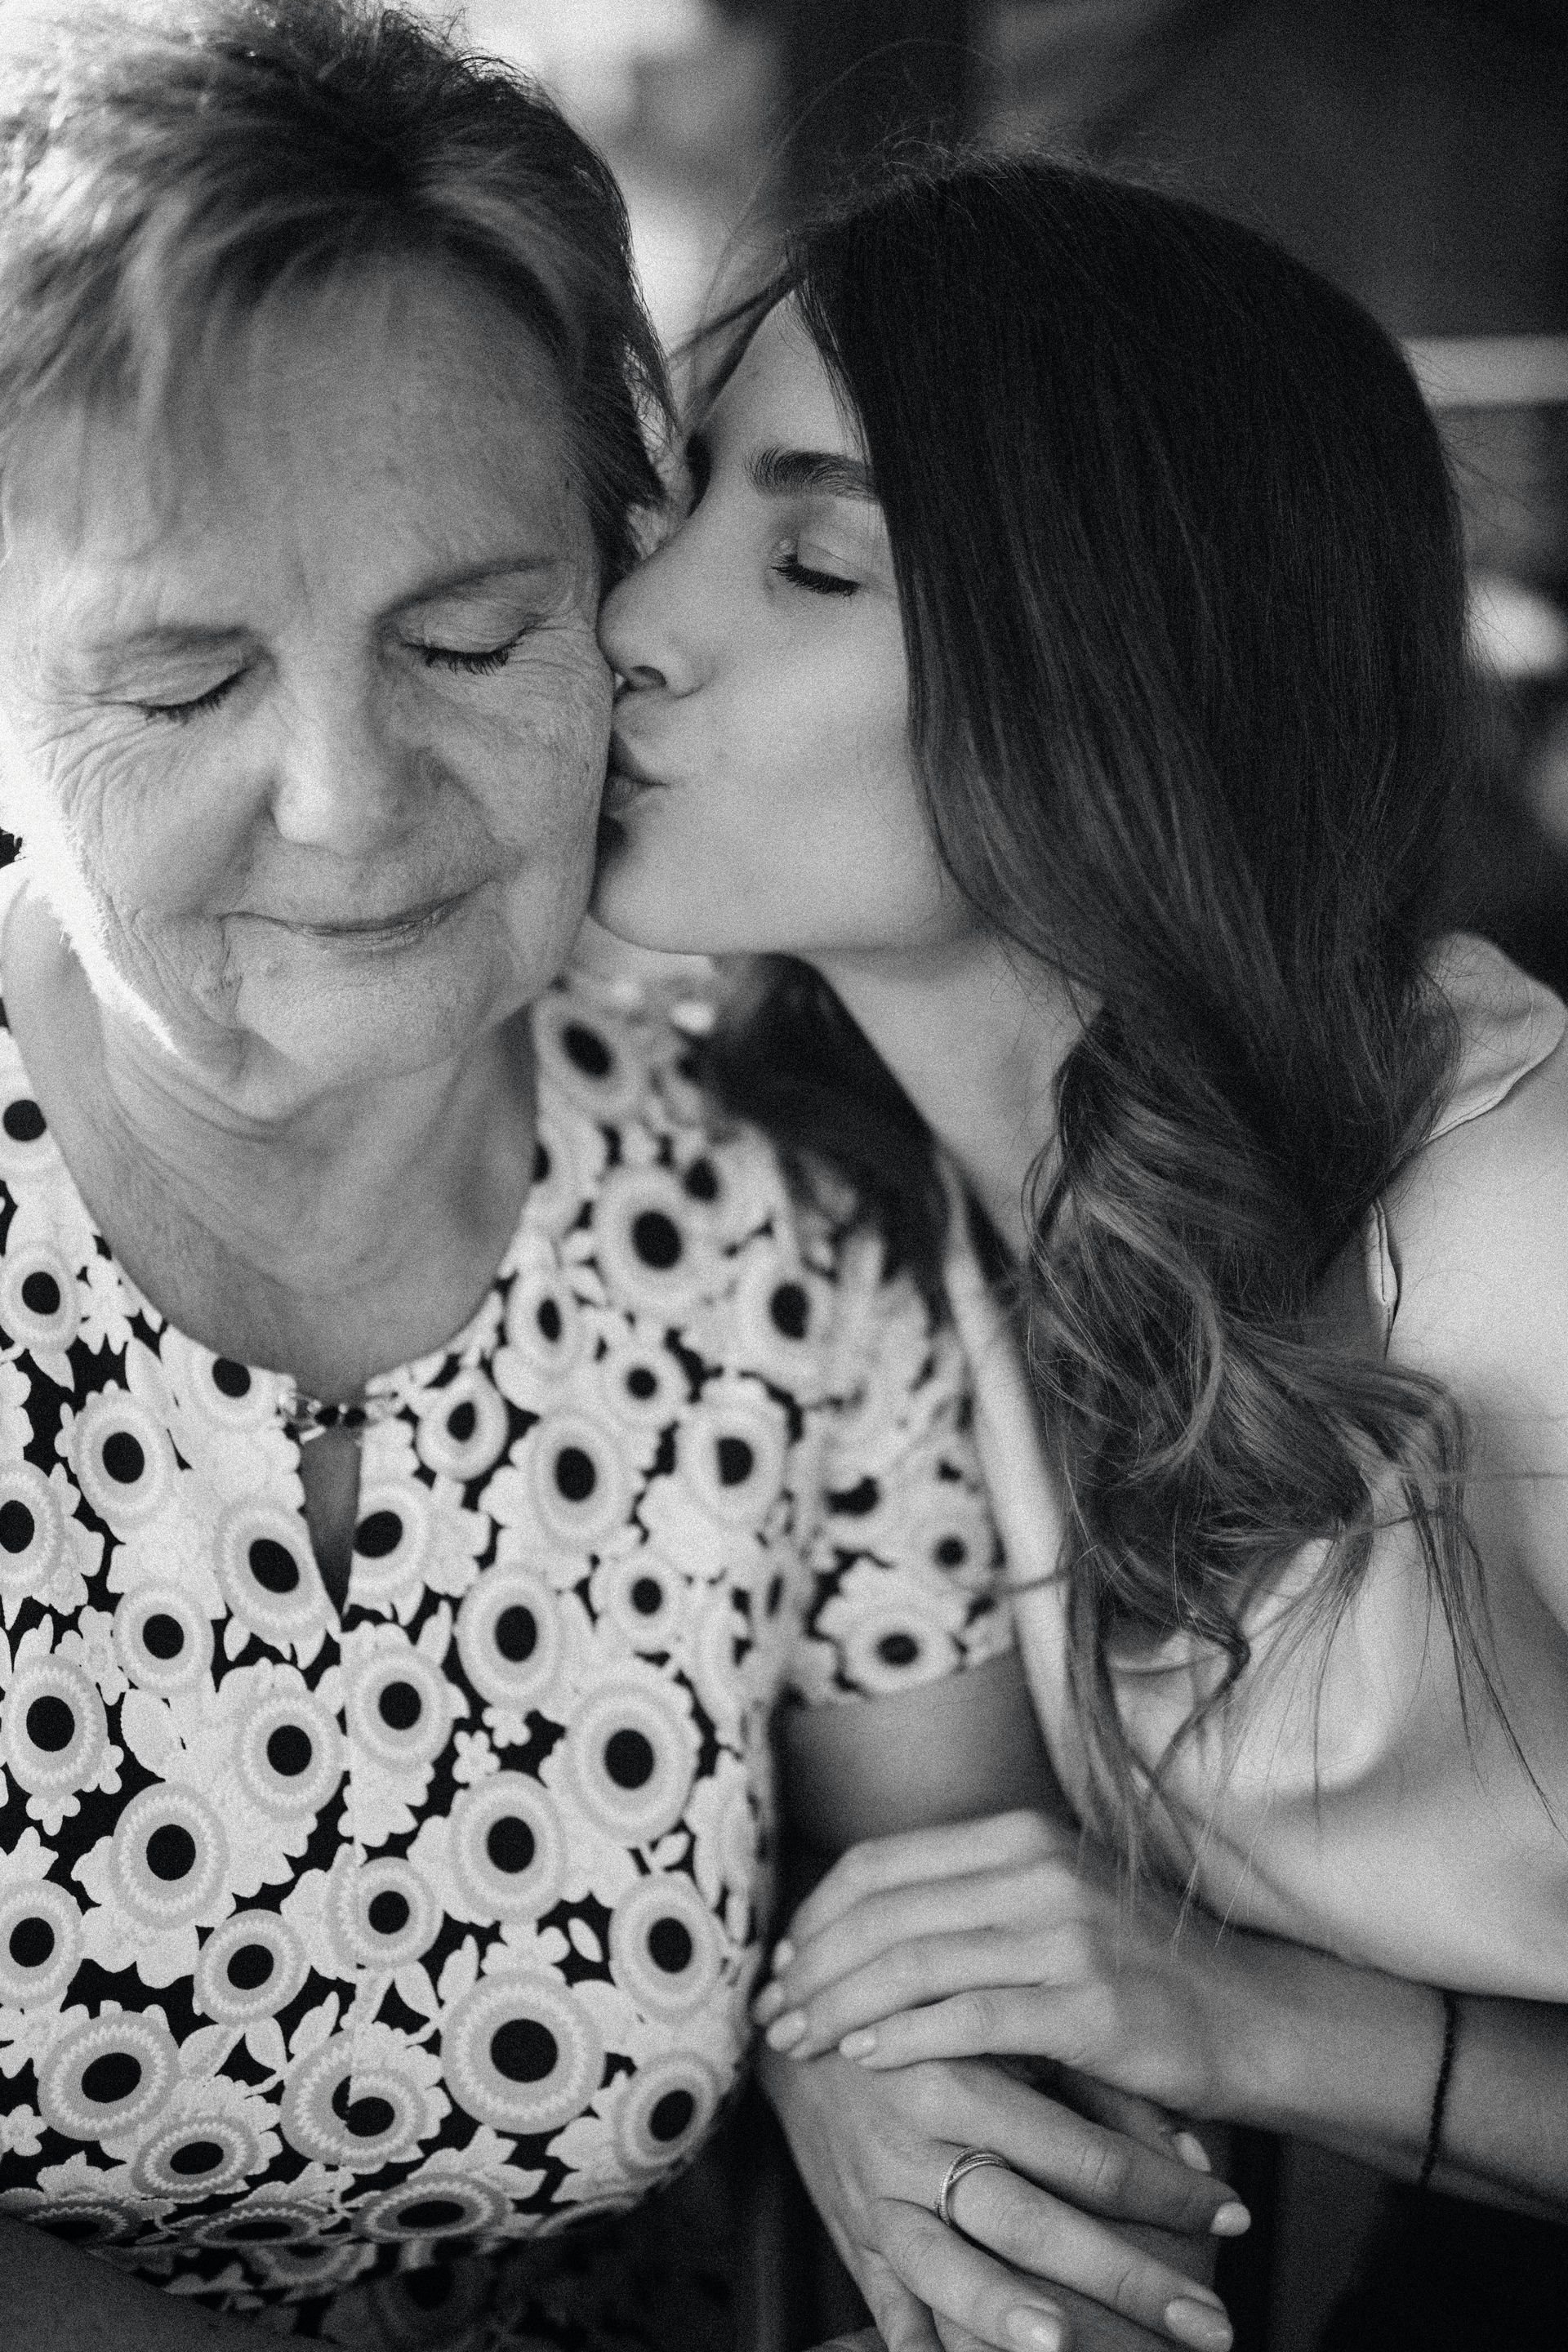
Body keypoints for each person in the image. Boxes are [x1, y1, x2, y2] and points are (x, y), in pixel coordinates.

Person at [0, 16, 1245, 2352]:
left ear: (613, 599)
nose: (351, 805)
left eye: (469, 635)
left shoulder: (787, 1236)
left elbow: (965, 1939)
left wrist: (880, 2052)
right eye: (176, 683)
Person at [594, 148, 1568, 2307]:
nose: (627, 626)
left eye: (817, 560)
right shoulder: (856, 1210)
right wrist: (854, 2049)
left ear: (1110, 675)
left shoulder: (1522, 1215)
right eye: (671, 510)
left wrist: (1261, 2027)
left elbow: (1176, 1984)